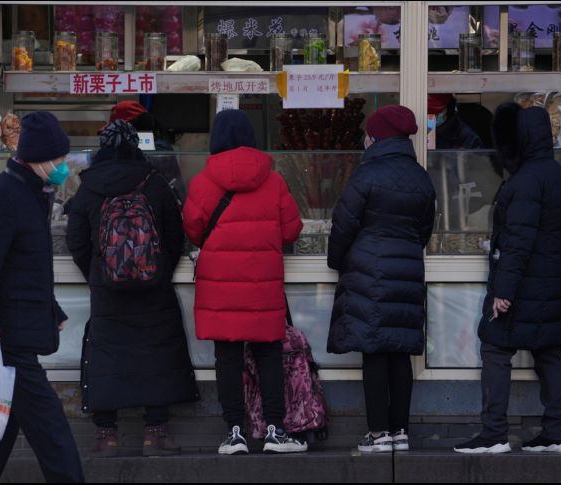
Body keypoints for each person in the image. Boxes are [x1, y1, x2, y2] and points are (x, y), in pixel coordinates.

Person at [0, 112, 84, 482]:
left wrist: (52, 307)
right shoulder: (3, 196)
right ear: (40, 158)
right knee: (52, 432)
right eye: (59, 160)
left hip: (23, 327)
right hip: (9, 337)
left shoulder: (33, 192)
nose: (63, 167)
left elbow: (26, 266)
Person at [66, 120, 199, 457]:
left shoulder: (89, 186)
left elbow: (76, 241)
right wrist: (158, 271)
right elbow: (175, 235)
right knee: (156, 351)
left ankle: (106, 435)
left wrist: (99, 271)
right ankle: (155, 433)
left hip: (107, 290)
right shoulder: (154, 182)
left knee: (106, 354)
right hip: (153, 288)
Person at [182, 109, 307, 455]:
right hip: (262, 284)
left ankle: (234, 433)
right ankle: (275, 431)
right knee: (268, 355)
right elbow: (292, 229)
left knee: (228, 357)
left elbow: (193, 229)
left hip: (219, 284)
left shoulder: (203, 181)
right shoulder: (274, 179)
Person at [454, 104, 561, 455]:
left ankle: (494, 434)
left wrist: (502, 292)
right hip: (552, 282)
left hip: (523, 285)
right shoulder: (556, 174)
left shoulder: (524, 181)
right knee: (549, 353)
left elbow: (518, 242)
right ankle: (555, 433)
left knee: (494, 348)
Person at [327, 105, 436, 453]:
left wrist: (337, 261)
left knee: (374, 350)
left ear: (376, 137)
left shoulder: (367, 174)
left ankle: (378, 433)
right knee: (400, 352)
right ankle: (400, 431)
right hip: (406, 270)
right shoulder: (421, 177)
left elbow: (343, 225)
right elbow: (424, 230)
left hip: (369, 270)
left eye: (367, 134)